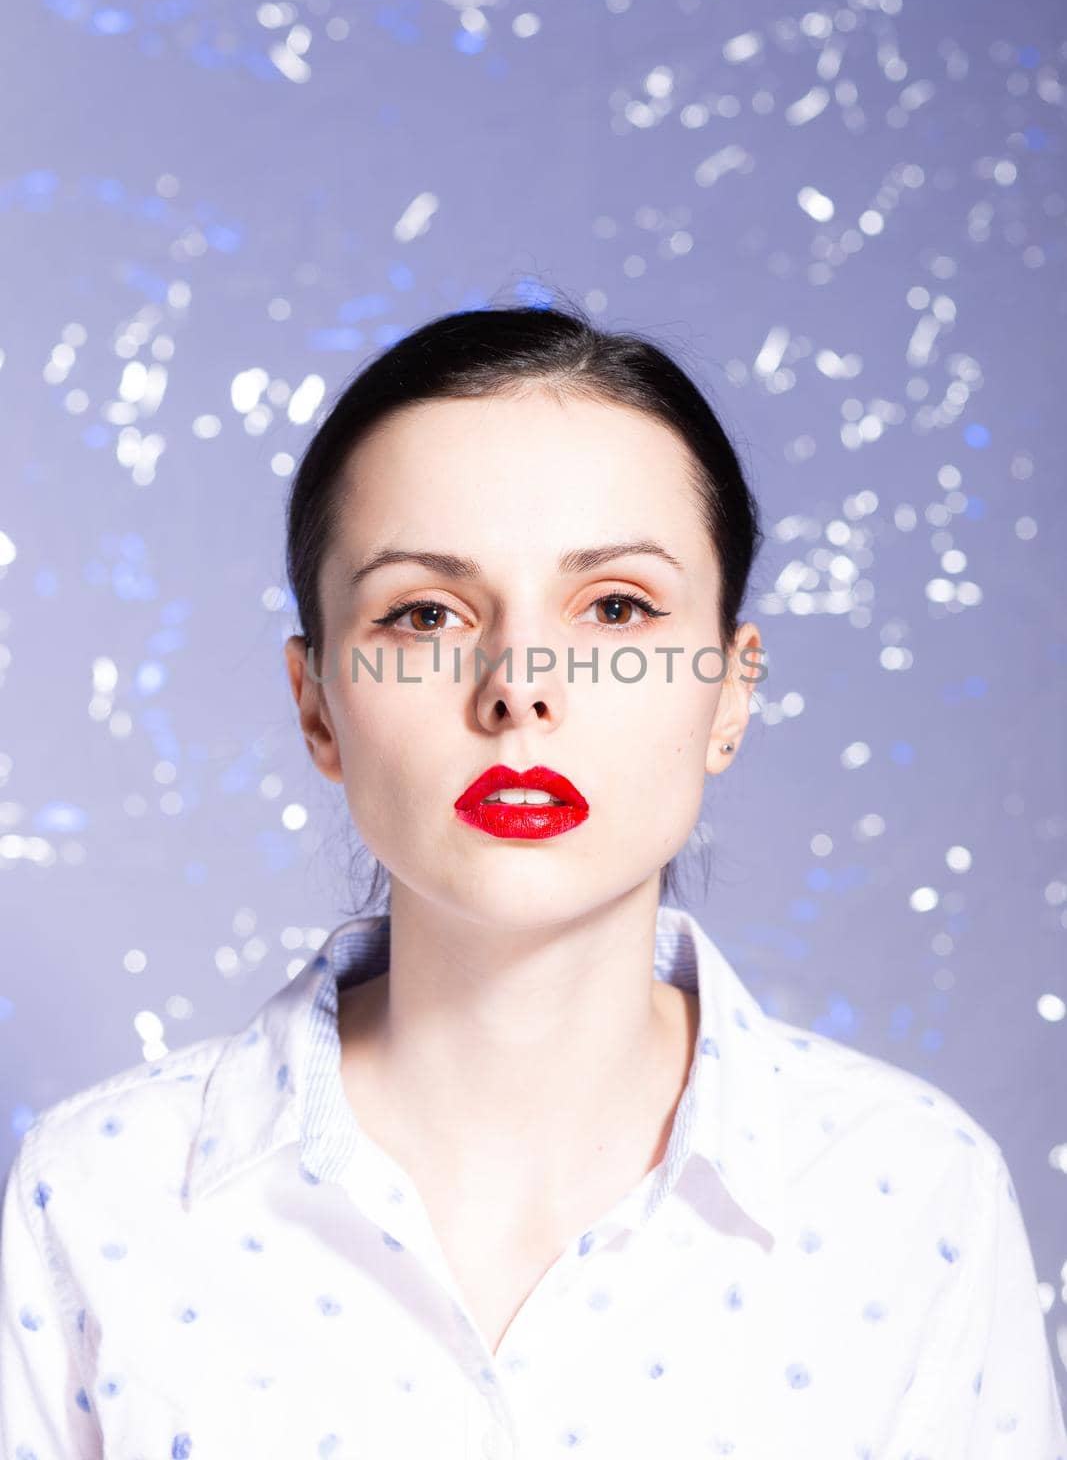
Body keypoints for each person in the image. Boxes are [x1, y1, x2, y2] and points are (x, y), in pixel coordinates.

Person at [1, 302, 1063, 1458]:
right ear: (316, 706)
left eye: (614, 608)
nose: (518, 686)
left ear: (730, 691)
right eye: (424, 613)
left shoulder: (911, 1194)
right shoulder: (100, 1194)